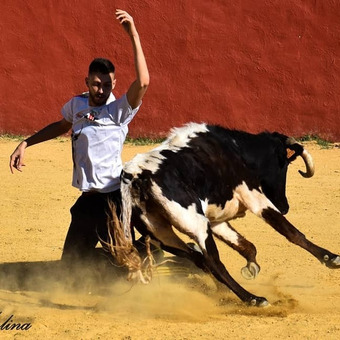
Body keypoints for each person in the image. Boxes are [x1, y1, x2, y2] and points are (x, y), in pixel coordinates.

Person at [9, 9, 150, 264]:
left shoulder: (118, 111)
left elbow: (143, 83)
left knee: (125, 265)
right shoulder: (77, 106)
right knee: (70, 268)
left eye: (107, 85)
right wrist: (26, 142)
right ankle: (133, 250)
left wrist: (134, 35)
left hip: (113, 201)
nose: (101, 90)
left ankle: (158, 250)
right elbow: (61, 126)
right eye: (96, 84)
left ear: (114, 85)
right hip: (87, 202)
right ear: (87, 81)